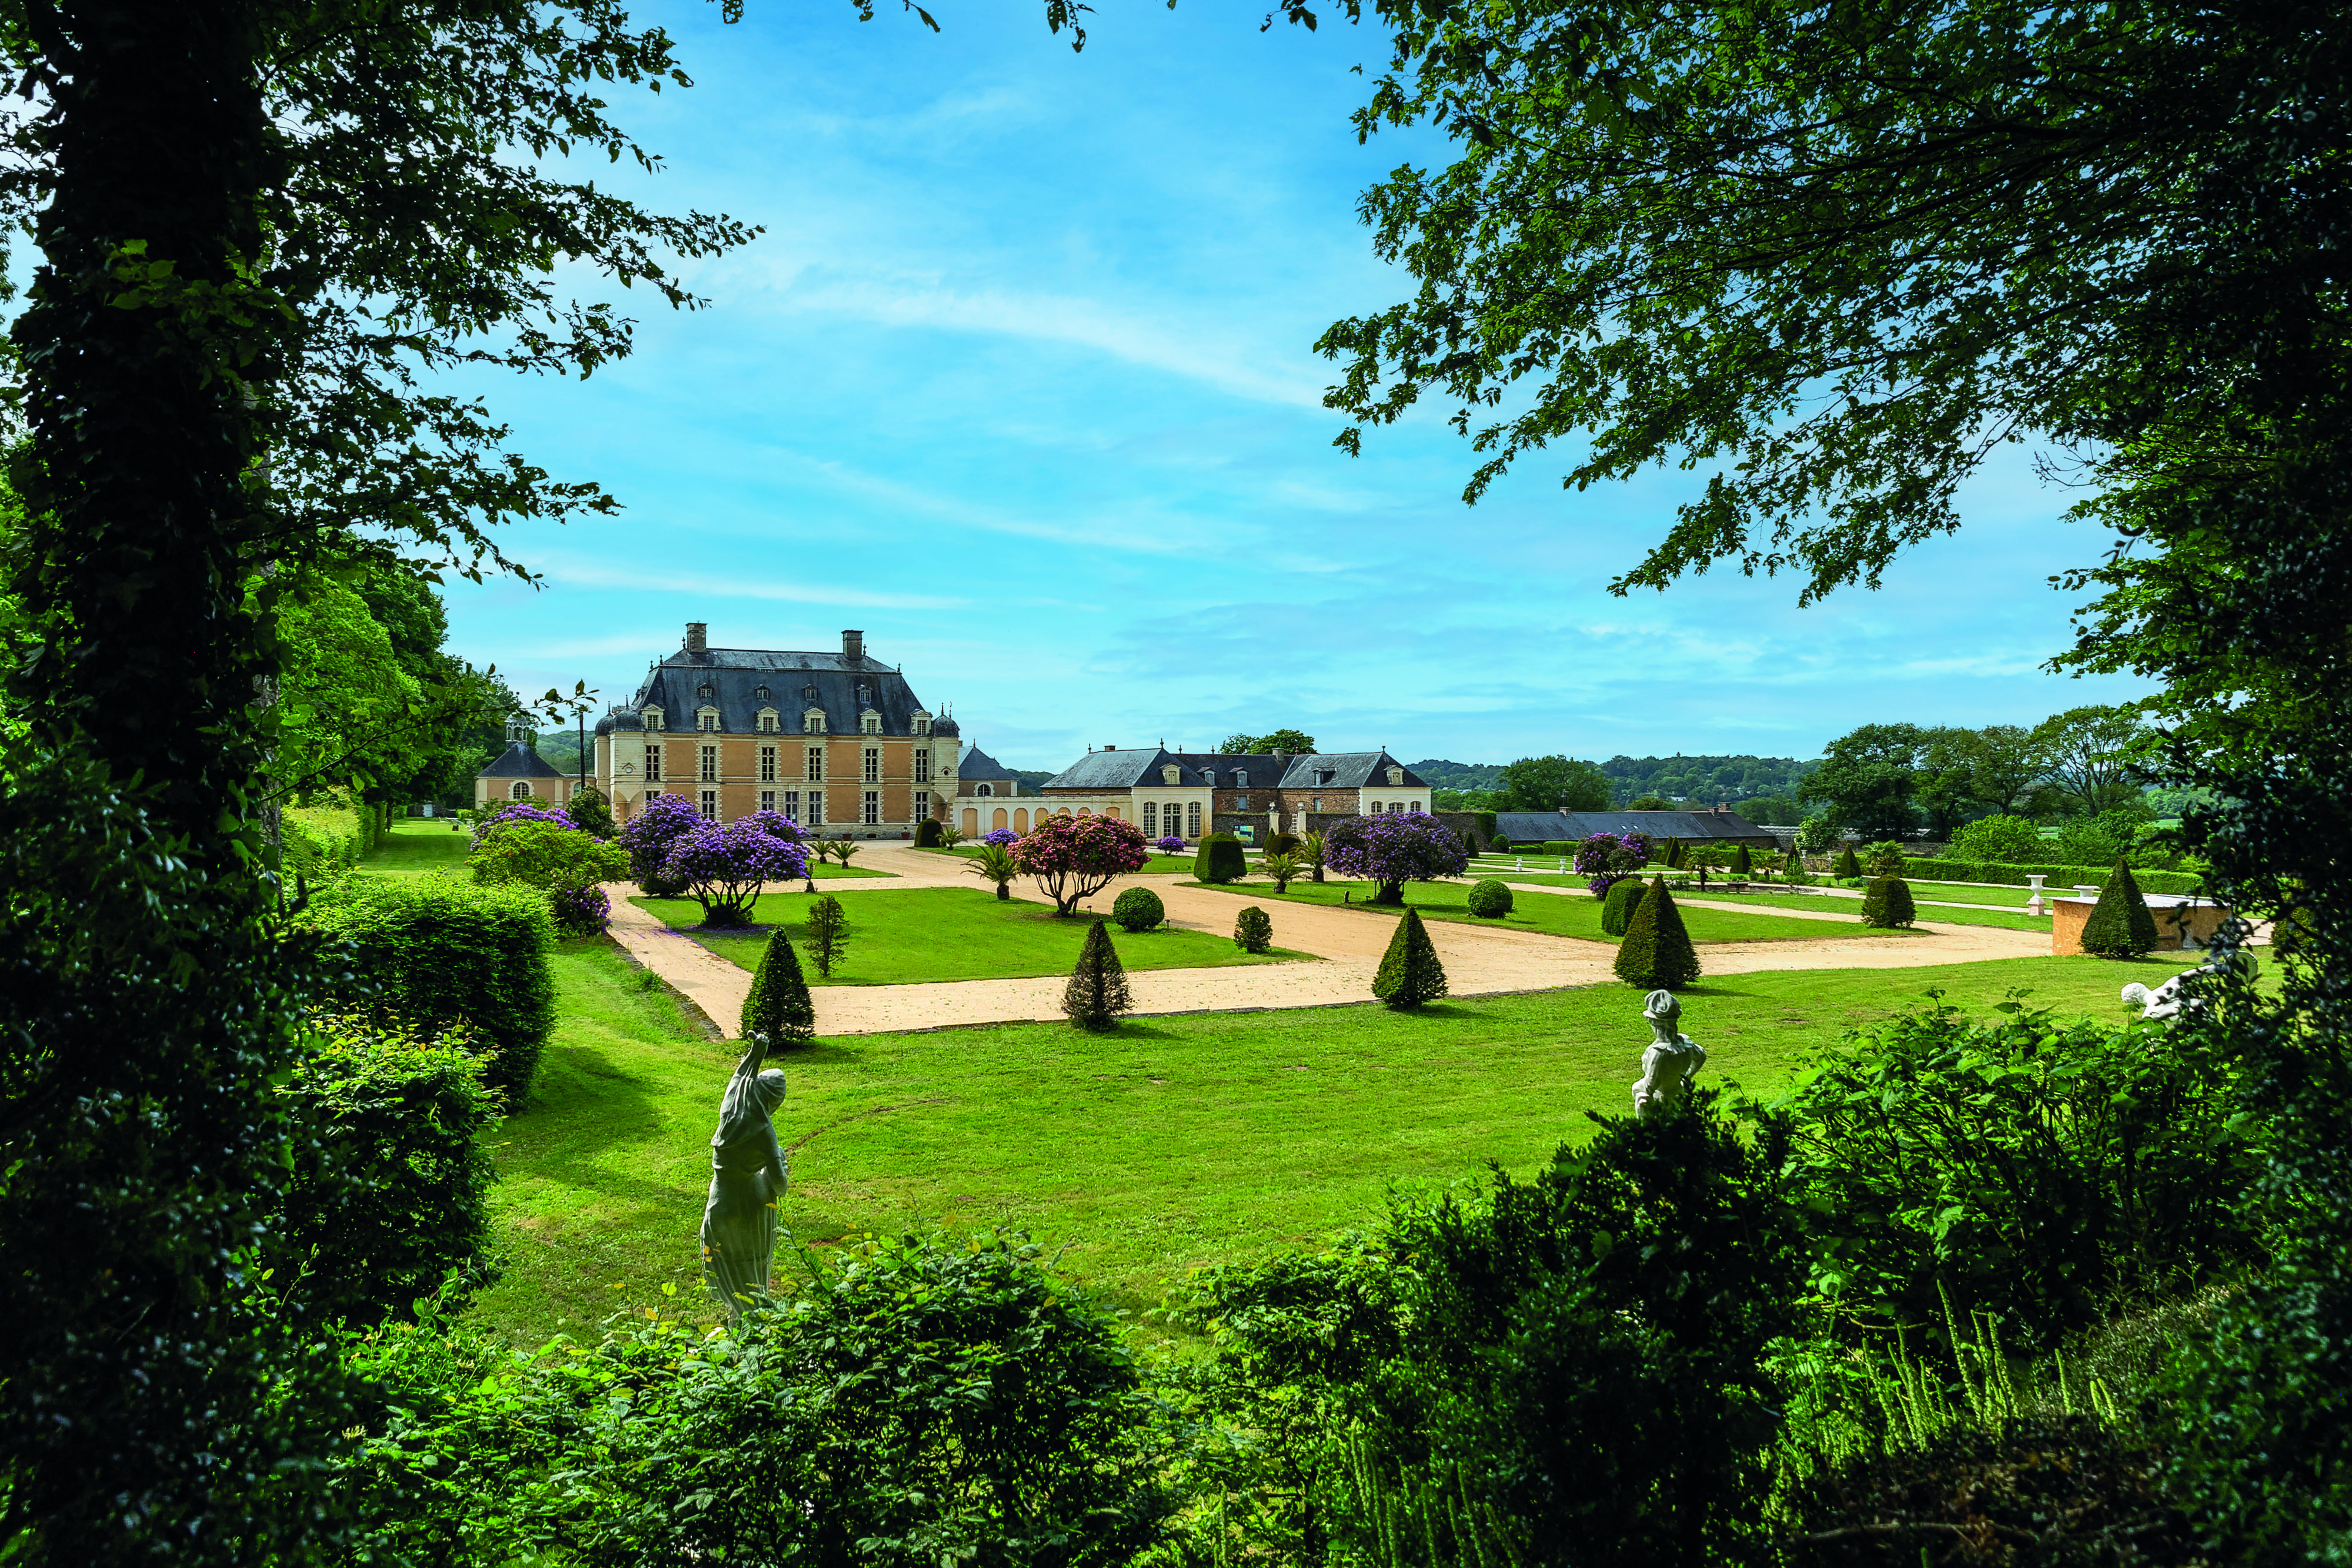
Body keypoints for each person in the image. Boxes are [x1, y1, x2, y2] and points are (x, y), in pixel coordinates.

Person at [701, 1037, 789, 1316]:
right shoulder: (765, 1134)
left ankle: (737, 1323)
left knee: (729, 1270)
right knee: (750, 1273)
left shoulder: (733, 1101)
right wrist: (779, 1165)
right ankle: (752, 1332)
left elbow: (741, 1074)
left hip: (721, 1201)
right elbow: (780, 1186)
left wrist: (756, 1053)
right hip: (748, 1207)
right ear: (773, 1102)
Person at [1631, 989, 1706, 1119]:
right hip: (1679, 1092)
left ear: (1654, 1023)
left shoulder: (1658, 1052)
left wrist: (1637, 1088)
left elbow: (1651, 1085)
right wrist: (1687, 1077)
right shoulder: (1685, 1043)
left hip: (1662, 1098)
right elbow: (1701, 1056)